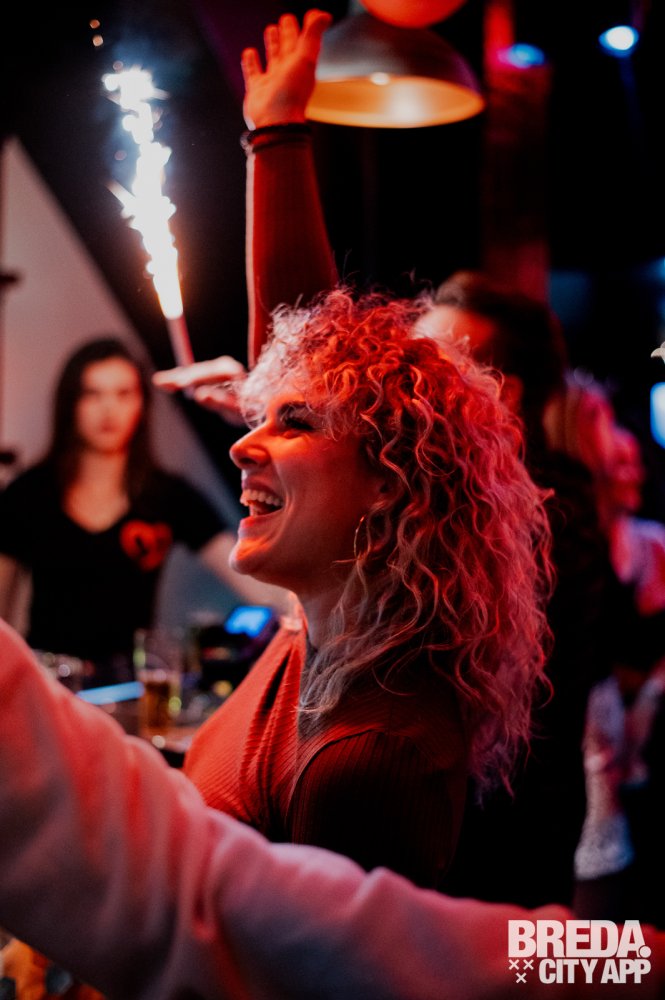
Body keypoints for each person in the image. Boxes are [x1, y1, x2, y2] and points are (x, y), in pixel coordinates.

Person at [156, 10, 608, 908]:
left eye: (437, 372)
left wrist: (606, 965)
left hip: (512, 915)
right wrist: (276, 135)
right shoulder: (339, 623)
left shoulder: (374, 745)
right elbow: (311, 354)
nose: (415, 377)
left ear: (406, 465)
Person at [2, 619, 664, 1000]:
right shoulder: (296, 651)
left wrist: (609, 955)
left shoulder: (373, 745)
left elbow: (356, 942)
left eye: (296, 427)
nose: (241, 448)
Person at [178, 285, 553, 891]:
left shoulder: (371, 757)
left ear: (389, 480)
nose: (240, 445)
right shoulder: (315, 633)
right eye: (260, 418)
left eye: (294, 423)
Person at [0, 337, 287, 686]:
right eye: (92, 394)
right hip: (46, 684)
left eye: (123, 394)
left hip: (130, 688)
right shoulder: (28, 495)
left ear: (141, 403)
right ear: (70, 403)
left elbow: (258, 584)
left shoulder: (167, 496)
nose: (109, 409)